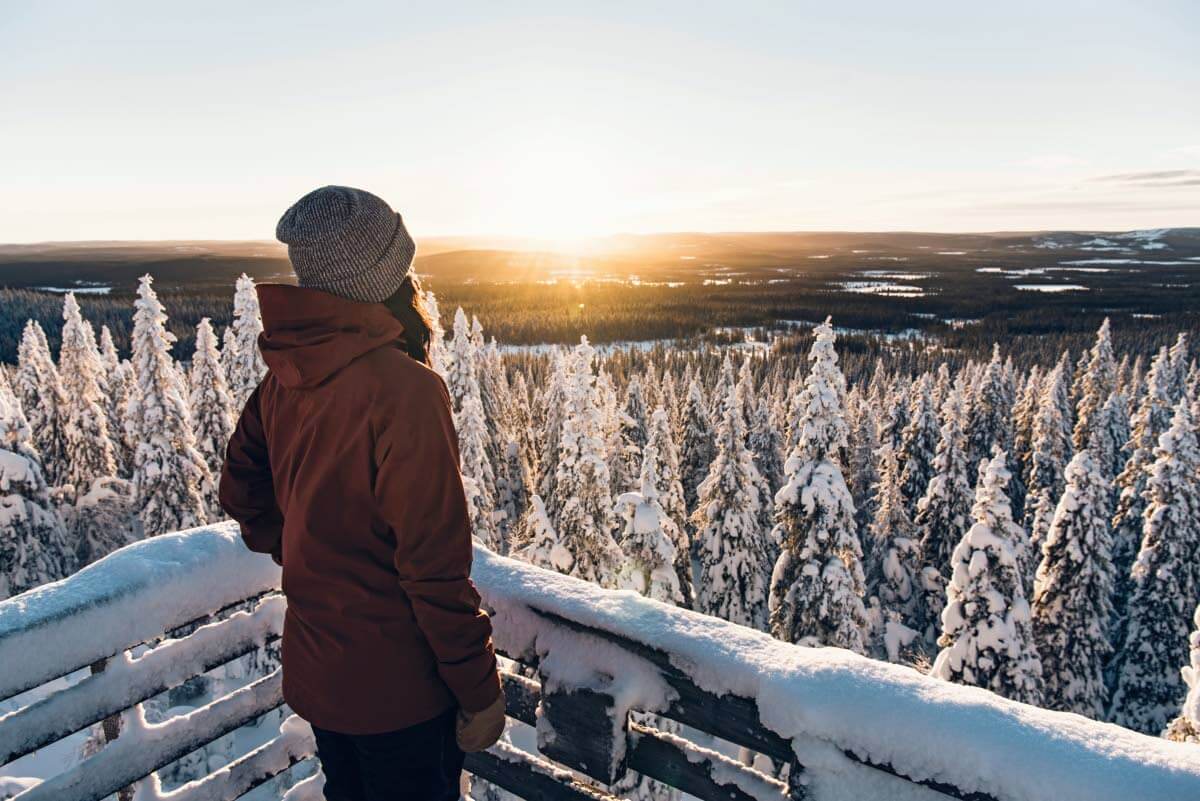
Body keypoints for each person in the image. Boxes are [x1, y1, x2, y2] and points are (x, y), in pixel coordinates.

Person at [219, 186, 506, 801]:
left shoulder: (289, 371)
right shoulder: (404, 391)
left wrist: (303, 548)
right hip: (400, 694)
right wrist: (480, 692)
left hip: (322, 677)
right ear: (383, 274)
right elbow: (433, 567)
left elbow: (243, 489)